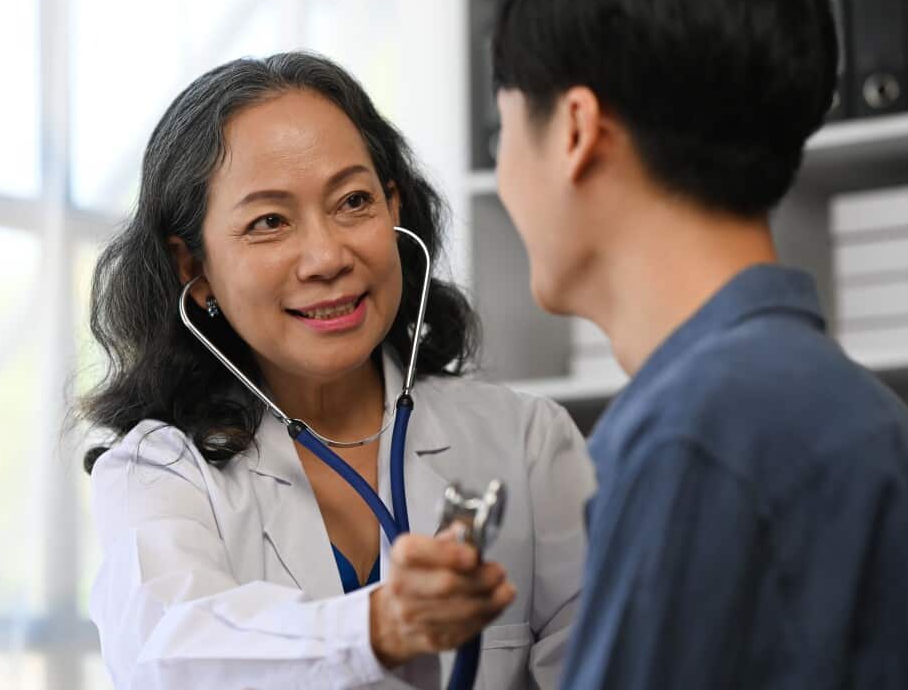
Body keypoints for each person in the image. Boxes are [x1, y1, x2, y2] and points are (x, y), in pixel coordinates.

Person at [77, 51, 594, 689]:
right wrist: (377, 628)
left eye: (353, 201)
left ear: (394, 208)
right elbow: (170, 653)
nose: (326, 256)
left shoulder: (526, 442)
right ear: (194, 269)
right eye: (268, 222)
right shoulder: (158, 473)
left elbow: (605, 666)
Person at [488, 0, 908, 688]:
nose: (503, 171)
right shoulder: (866, 413)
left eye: (504, 133)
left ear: (575, 130)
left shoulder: (691, 438)